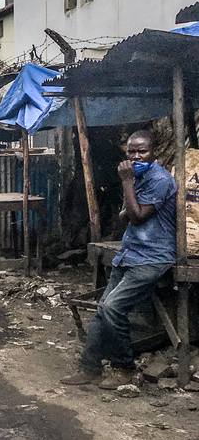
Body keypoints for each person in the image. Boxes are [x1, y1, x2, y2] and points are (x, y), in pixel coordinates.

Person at [60, 130, 177, 390]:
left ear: (154, 152)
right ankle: (89, 368)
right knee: (103, 310)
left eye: (142, 151)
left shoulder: (159, 179)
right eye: (131, 152)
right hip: (130, 254)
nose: (136, 156)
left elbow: (135, 217)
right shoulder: (140, 177)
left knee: (112, 307)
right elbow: (125, 215)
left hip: (153, 257)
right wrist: (130, 192)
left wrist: (126, 182)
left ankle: (124, 369)